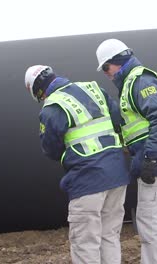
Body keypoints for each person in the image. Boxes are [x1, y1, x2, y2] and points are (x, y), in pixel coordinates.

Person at [24, 65, 130, 264]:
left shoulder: (53, 106)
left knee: (85, 242)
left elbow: (51, 150)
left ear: (39, 91)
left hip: (87, 181)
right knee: (109, 236)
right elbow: (117, 120)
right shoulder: (93, 88)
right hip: (117, 176)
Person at [95, 39, 157, 264]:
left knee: (149, 223)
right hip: (154, 160)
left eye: (106, 68)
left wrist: (151, 157)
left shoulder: (140, 80)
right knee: (154, 221)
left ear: (117, 61)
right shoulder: (129, 83)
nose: (106, 74)